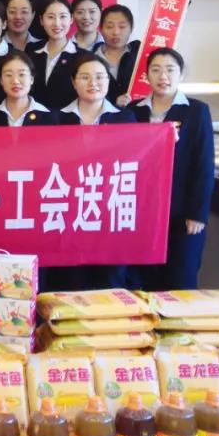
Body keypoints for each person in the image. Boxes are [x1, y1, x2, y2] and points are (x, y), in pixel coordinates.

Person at [128, 48, 215, 291]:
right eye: (156, 70)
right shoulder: (134, 111)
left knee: (180, 280)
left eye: (170, 70)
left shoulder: (196, 110)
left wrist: (197, 213)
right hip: (142, 212)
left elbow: (203, 164)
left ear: (181, 74)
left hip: (182, 213)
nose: (163, 76)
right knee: (142, 282)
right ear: (147, 75)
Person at [51, 54, 137, 293]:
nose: (93, 83)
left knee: (110, 281)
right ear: (73, 82)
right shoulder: (57, 118)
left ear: (108, 81)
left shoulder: (125, 118)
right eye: (85, 77)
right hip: (70, 212)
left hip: (110, 210)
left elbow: (138, 159)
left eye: (100, 77)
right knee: (72, 282)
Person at [28, 0, 81, 109]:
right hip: (35, 118)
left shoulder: (83, 58)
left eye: (63, 17)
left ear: (71, 19)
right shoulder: (30, 55)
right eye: (50, 17)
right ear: (41, 20)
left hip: (69, 119)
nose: (57, 23)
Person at [0, 52, 56, 126]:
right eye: (9, 75)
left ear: (31, 79)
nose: (15, 81)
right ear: (1, 80)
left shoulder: (50, 117)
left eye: (21, 74)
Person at [96, 4, 142, 105]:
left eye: (122, 27)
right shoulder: (91, 59)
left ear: (131, 28)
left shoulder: (141, 54)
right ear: (101, 29)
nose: (116, 32)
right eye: (109, 27)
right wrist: (112, 104)